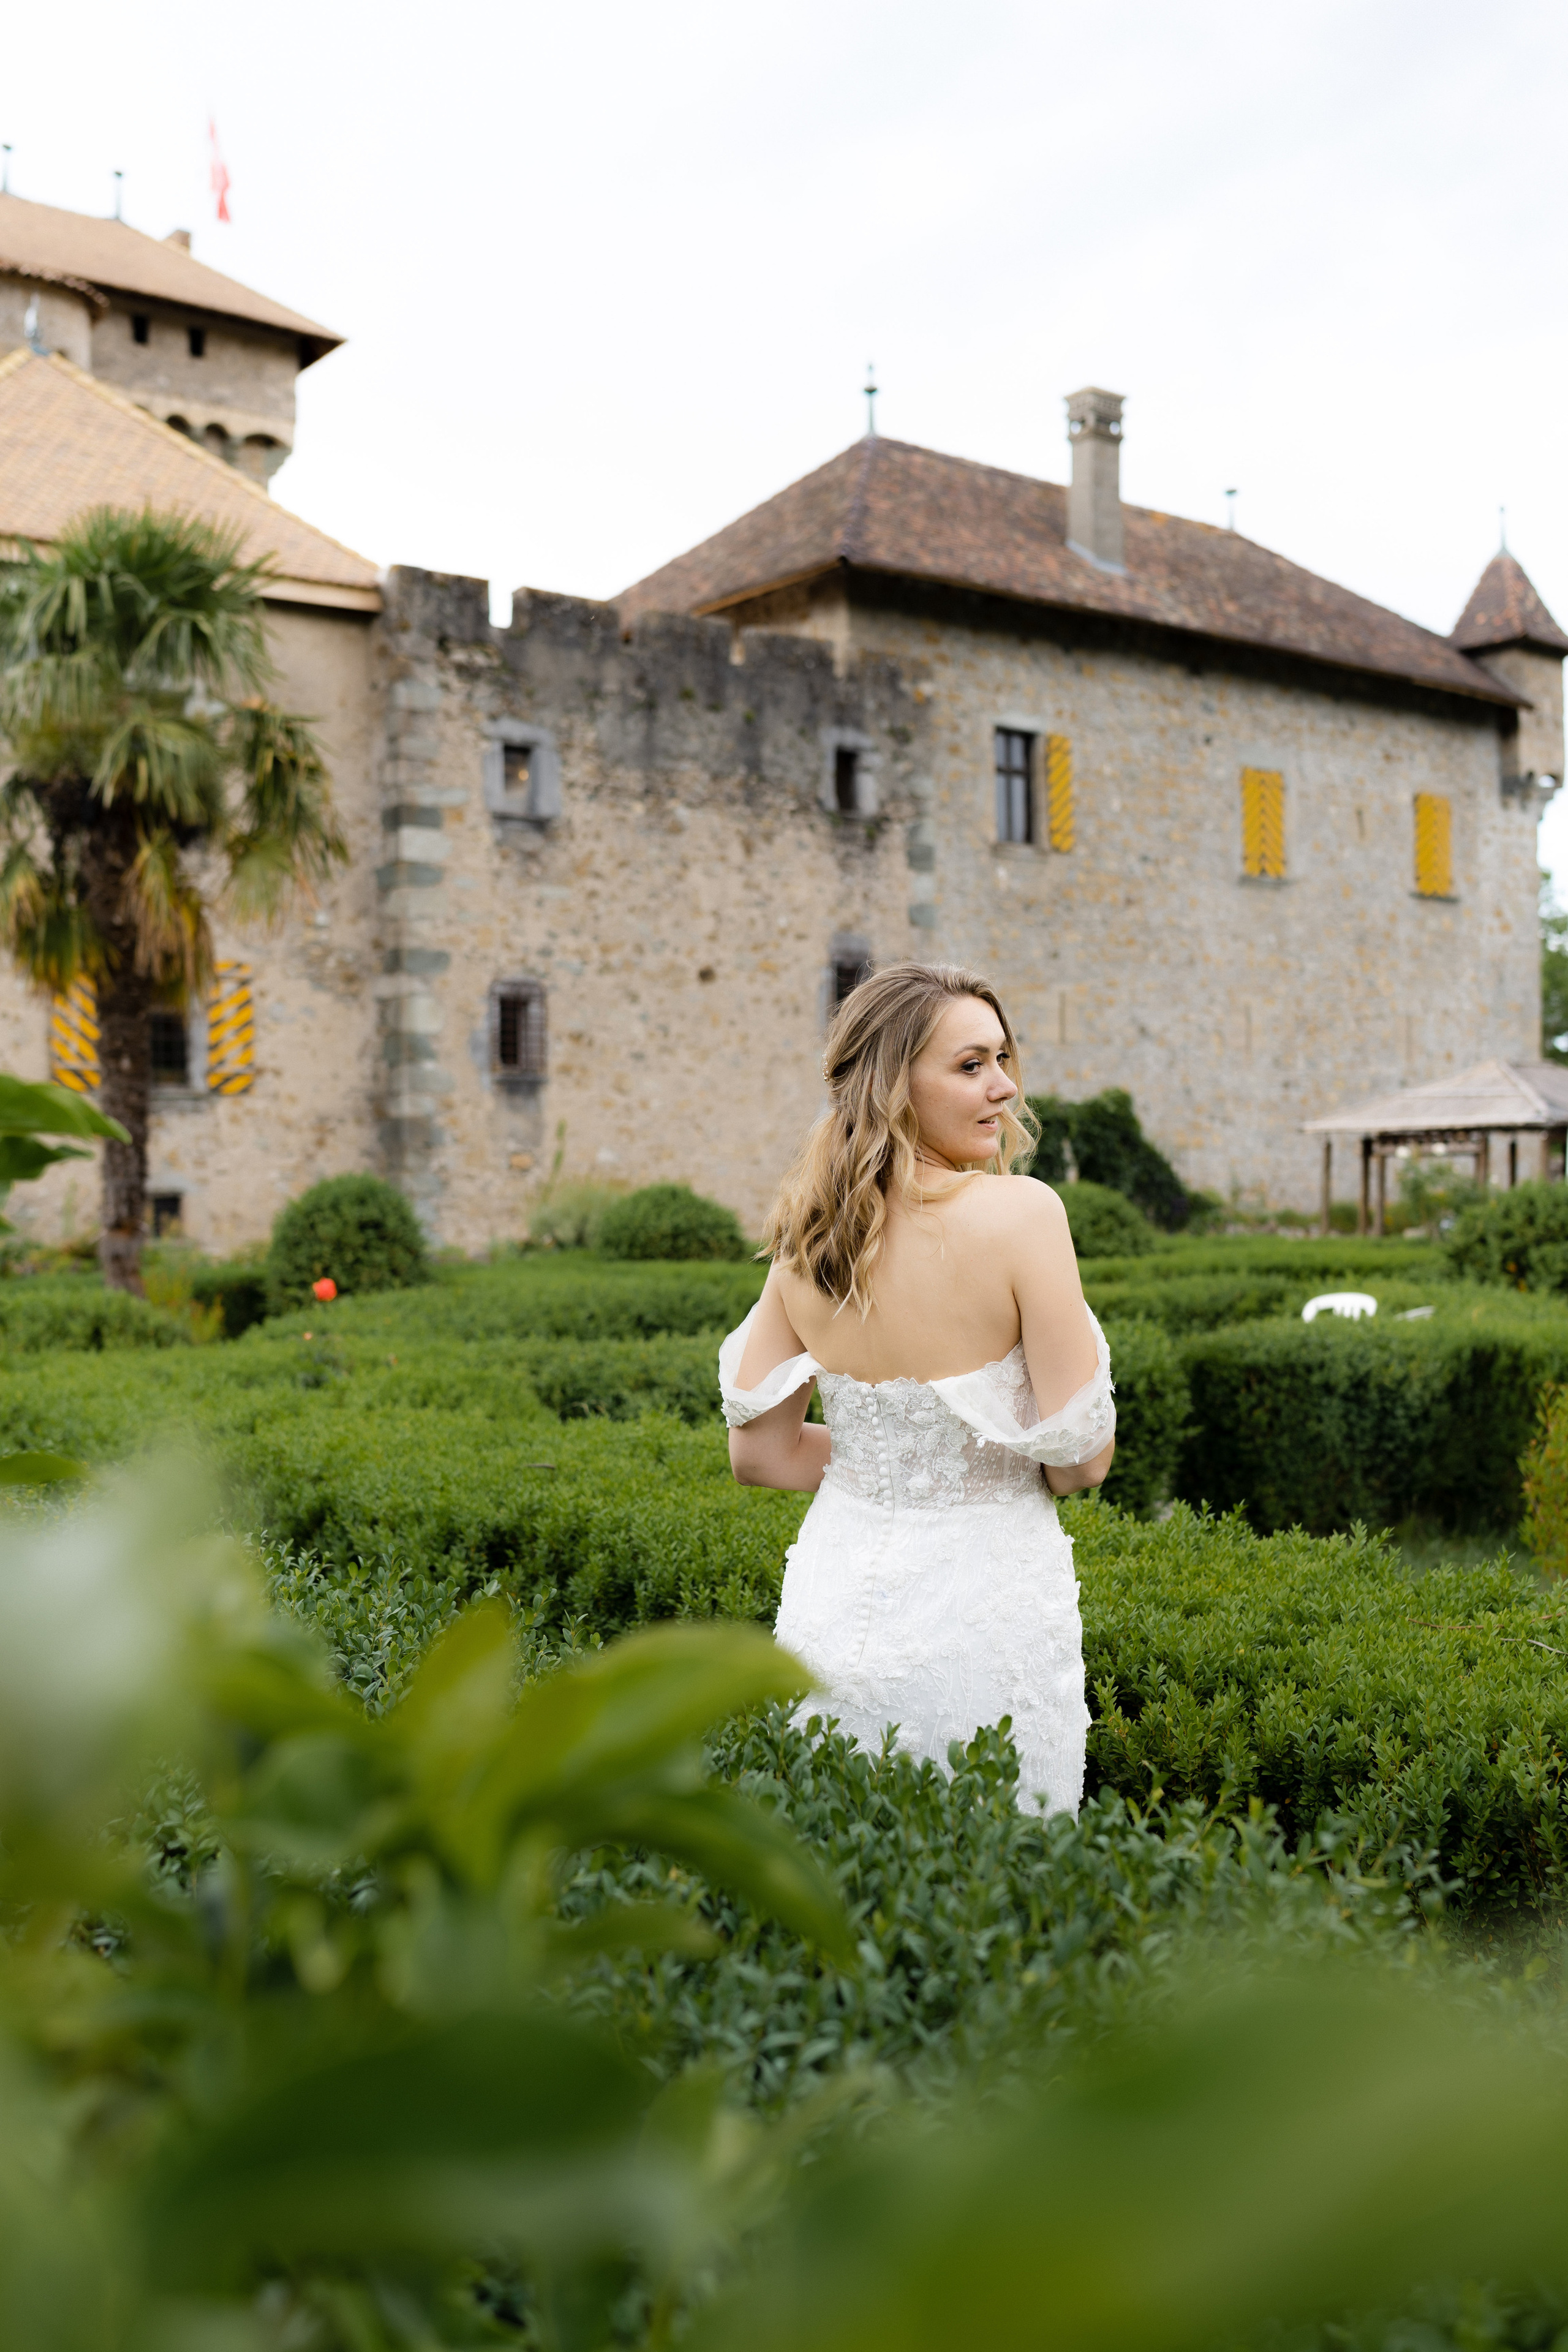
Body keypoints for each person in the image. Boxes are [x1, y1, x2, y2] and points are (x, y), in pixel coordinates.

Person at [718, 962, 1115, 1817]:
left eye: (1003, 1059)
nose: (1005, 1087)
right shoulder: (1025, 1215)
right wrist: (971, 1461)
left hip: (833, 1605)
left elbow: (761, 1454)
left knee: (847, 1868)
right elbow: (1080, 1461)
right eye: (971, 1066)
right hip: (987, 1609)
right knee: (999, 1888)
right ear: (894, 1085)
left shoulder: (807, 1236)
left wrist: (883, 1462)